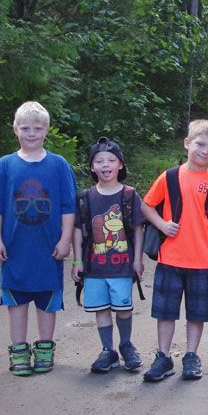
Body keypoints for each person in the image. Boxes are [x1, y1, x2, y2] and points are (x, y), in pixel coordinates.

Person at [0, 101, 77, 376]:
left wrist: (65, 240)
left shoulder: (59, 165)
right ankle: (18, 349)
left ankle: (45, 348)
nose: (31, 133)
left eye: (37, 128)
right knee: (16, 300)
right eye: (25, 128)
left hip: (48, 249)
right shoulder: (4, 165)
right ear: (15, 129)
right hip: (15, 249)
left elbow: (69, 207)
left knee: (47, 299)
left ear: (46, 130)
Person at [141, 119, 208, 382]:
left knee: (196, 312)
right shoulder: (169, 177)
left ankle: (191, 355)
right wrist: (161, 224)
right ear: (187, 143)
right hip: (170, 258)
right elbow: (146, 205)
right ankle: (163, 356)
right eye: (200, 144)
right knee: (165, 311)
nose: (204, 151)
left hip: (202, 261)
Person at [72, 137, 145, 373]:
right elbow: (77, 230)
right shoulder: (85, 198)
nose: (106, 165)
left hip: (122, 265)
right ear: (92, 167)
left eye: (111, 160)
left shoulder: (129, 195)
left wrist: (138, 260)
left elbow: (138, 228)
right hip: (94, 267)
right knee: (100, 309)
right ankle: (108, 351)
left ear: (120, 165)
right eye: (99, 161)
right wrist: (77, 261)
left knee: (124, 308)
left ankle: (126, 345)